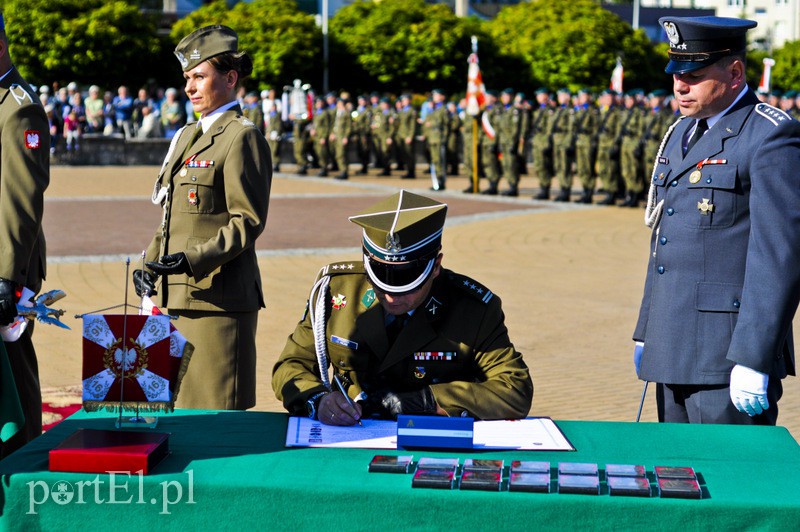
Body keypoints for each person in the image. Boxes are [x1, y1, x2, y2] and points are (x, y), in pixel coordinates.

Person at [634, 16, 800, 425]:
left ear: (735, 72)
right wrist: (646, 328)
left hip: (726, 357)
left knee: (728, 481)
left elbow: (779, 257)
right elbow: (666, 239)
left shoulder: (769, 136)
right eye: (676, 73)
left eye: (694, 74)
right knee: (676, 476)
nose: (679, 85)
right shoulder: (681, 131)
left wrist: (754, 357)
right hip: (671, 343)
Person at [272, 190, 533, 425]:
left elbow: (515, 389)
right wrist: (318, 401)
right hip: (350, 437)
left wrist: (427, 401)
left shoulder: (473, 309)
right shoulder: (336, 292)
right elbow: (291, 365)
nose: (392, 296)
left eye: (408, 286)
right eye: (381, 283)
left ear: (436, 266)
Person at [134, 25, 272, 410]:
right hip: (175, 297)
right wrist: (149, 262)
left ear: (230, 79)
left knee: (212, 418)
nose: (190, 88)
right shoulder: (187, 136)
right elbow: (172, 216)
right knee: (172, 418)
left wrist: (193, 259)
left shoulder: (242, 137)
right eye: (187, 79)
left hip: (217, 303)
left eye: (199, 77)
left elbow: (248, 220)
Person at [0, 12, 50, 457]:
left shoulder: (18, 108)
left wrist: (8, 277)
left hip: (6, 270)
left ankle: (24, 467)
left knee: (14, 378)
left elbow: (21, 199)